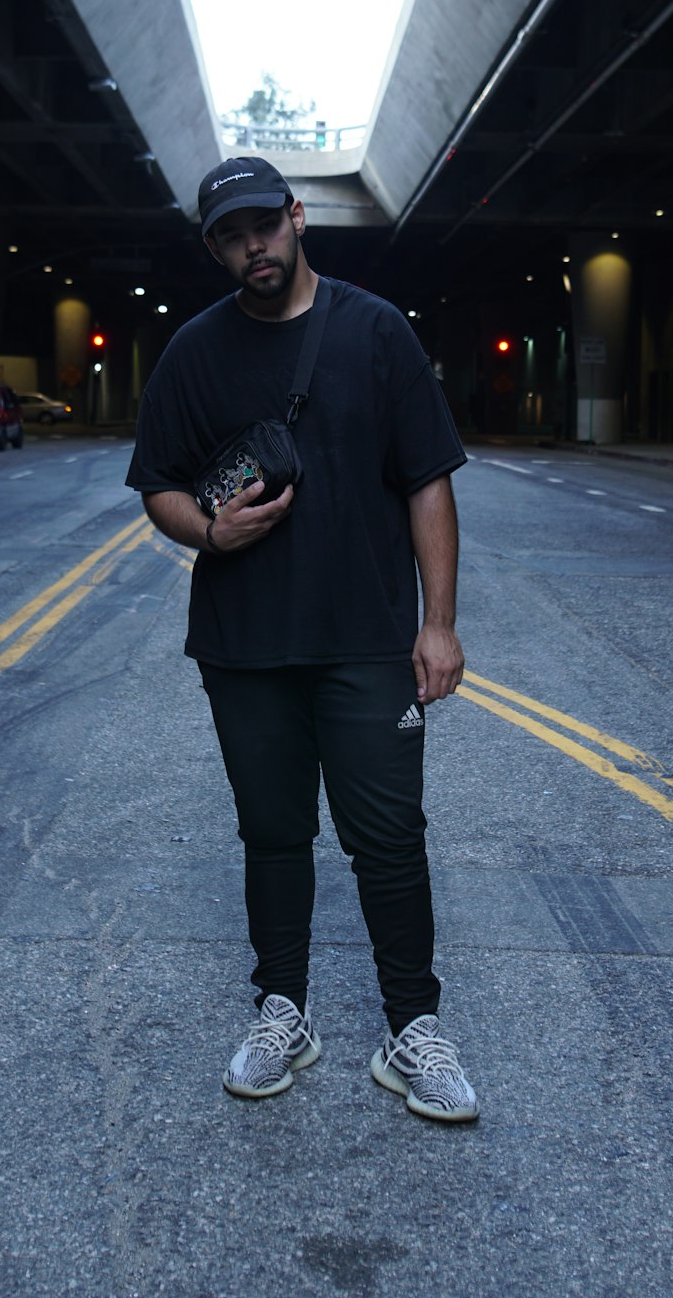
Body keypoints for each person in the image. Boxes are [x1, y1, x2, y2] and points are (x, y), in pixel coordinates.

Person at [125, 157, 478, 1123]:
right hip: (245, 644)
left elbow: (427, 480)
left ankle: (414, 1028)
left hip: (368, 639)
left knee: (388, 840)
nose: (254, 249)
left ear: (297, 216)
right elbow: (155, 479)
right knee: (274, 835)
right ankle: (284, 1009)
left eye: (264, 227)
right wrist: (206, 530)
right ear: (214, 247)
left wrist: (438, 624)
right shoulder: (195, 352)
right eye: (231, 237)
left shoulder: (374, 331)